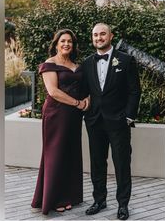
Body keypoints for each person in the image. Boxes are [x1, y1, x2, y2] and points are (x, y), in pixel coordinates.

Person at [81, 23, 141, 220]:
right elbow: (84, 91)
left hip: (119, 122)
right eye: (95, 35)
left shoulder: (126, 60)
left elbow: (134, 90)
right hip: (94, 121)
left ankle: (123, 204)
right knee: (97, 163)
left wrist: (129, 116)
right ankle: (99, 200)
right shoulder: (87, 62)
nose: (99, 38)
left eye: (102, 34)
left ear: (111, 36)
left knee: (122, 163)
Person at [31, 29, 88, 215]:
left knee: (70, 154)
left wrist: (88, 100)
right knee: (55, 154)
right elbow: (53, 92)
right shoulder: (50, 64)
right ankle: (53, 199)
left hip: (73, 116)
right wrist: (78, 103)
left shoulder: (76, 65)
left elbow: (86, 88)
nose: (66, 44)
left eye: (70, 41)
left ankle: (69, 195)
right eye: (62, 41)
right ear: (56, 44)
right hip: (56, 114)